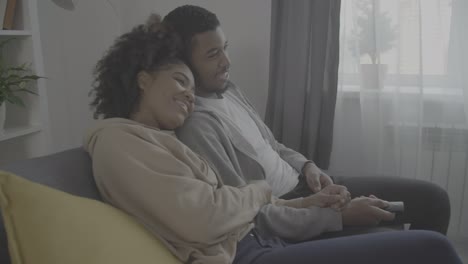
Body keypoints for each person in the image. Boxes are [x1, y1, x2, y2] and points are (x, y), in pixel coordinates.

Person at [84, 14, 462, 264]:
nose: (187, 94)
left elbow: (233, 194)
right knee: (435, 248)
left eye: (224, 50)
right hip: (250, 250)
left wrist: (310, 181)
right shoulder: (123, 142)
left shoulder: (161, 134)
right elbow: (212, 216)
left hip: (267, 227)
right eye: (180, 80)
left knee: (429, 206)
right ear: (143, 79)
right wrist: (287, 199)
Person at [167, 5, 451, 236]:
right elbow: (246, 213)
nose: (227, 62)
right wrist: (336, 218)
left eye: (224, 48)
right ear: (183, 64)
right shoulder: (197, 126)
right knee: (410, 242)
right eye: (213, 54)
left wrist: (308, 165)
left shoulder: (229, 91)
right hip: (293, 209)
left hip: (310, 184)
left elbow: (272, 146)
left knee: (434, 200)